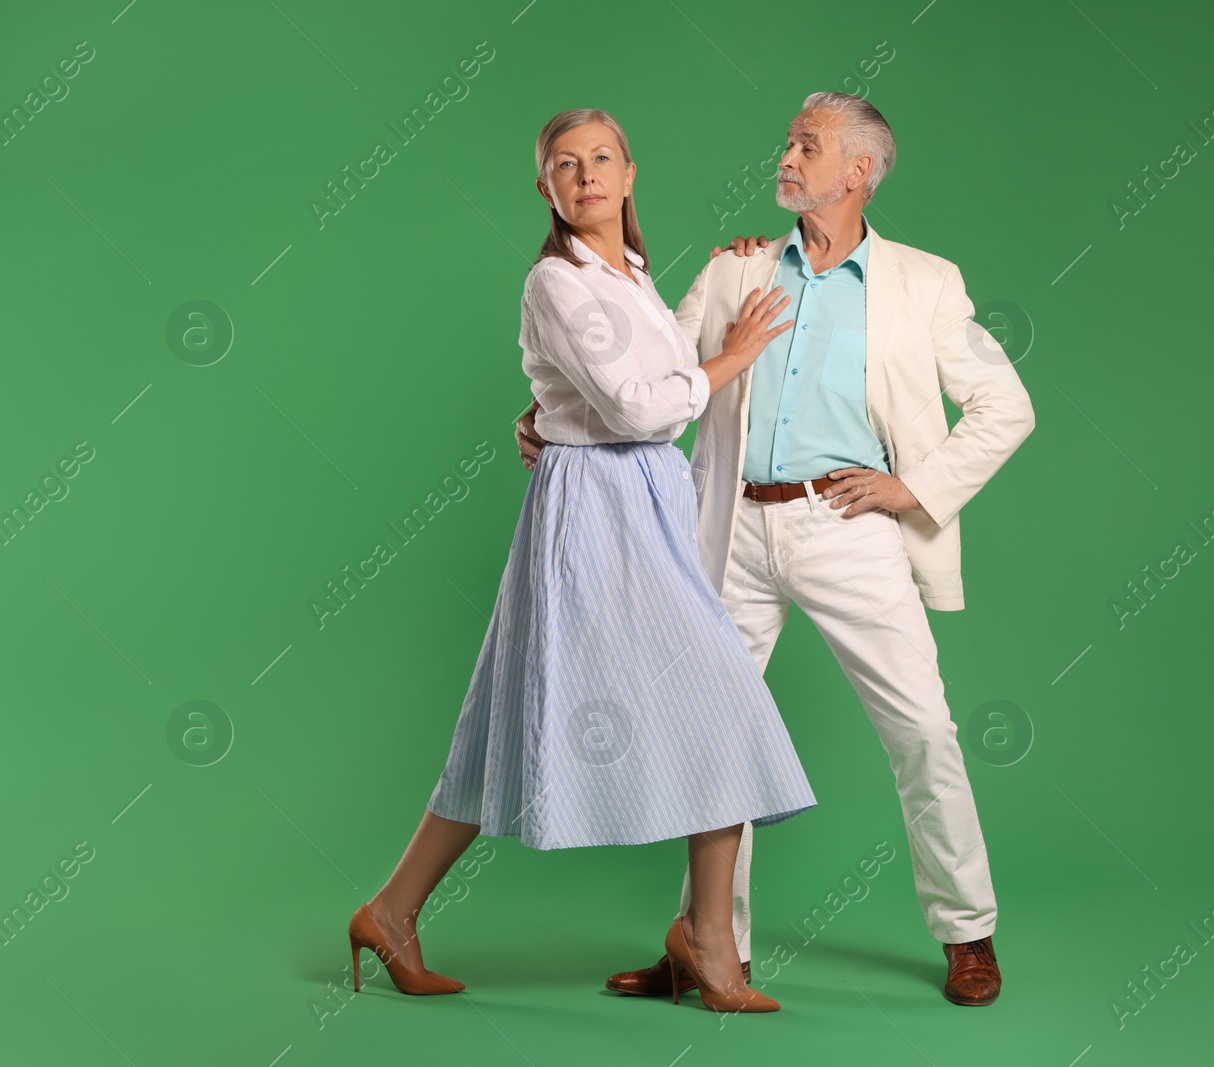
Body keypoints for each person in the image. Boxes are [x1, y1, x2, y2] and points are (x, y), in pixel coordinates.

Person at [517, 92, 1034, 1006]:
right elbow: (644, 381)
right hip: (730, 527)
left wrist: (913, 489)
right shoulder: (735, 271)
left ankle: (968, 932)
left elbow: (1006, 406)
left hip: (850, 529)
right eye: (790, 140)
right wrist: (548, 418)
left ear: (860, 172)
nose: (787, 155)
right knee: (714, 735)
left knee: (922, 730)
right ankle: (714, 950)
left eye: (808, 145)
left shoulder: (924, 283)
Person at [345, 107, 816, 1015]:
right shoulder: (554, 284)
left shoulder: (632, 273)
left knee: (524, 716)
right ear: (546, 189)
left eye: (602, 158)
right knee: (690, 700)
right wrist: (735, 356)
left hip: (642, 500)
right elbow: (642, 407)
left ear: (631, 174)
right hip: (592, 510)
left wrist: (728, 272)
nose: (587, 174)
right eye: (566, 164)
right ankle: (705, 942)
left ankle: (394, 909)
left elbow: (617, 381)